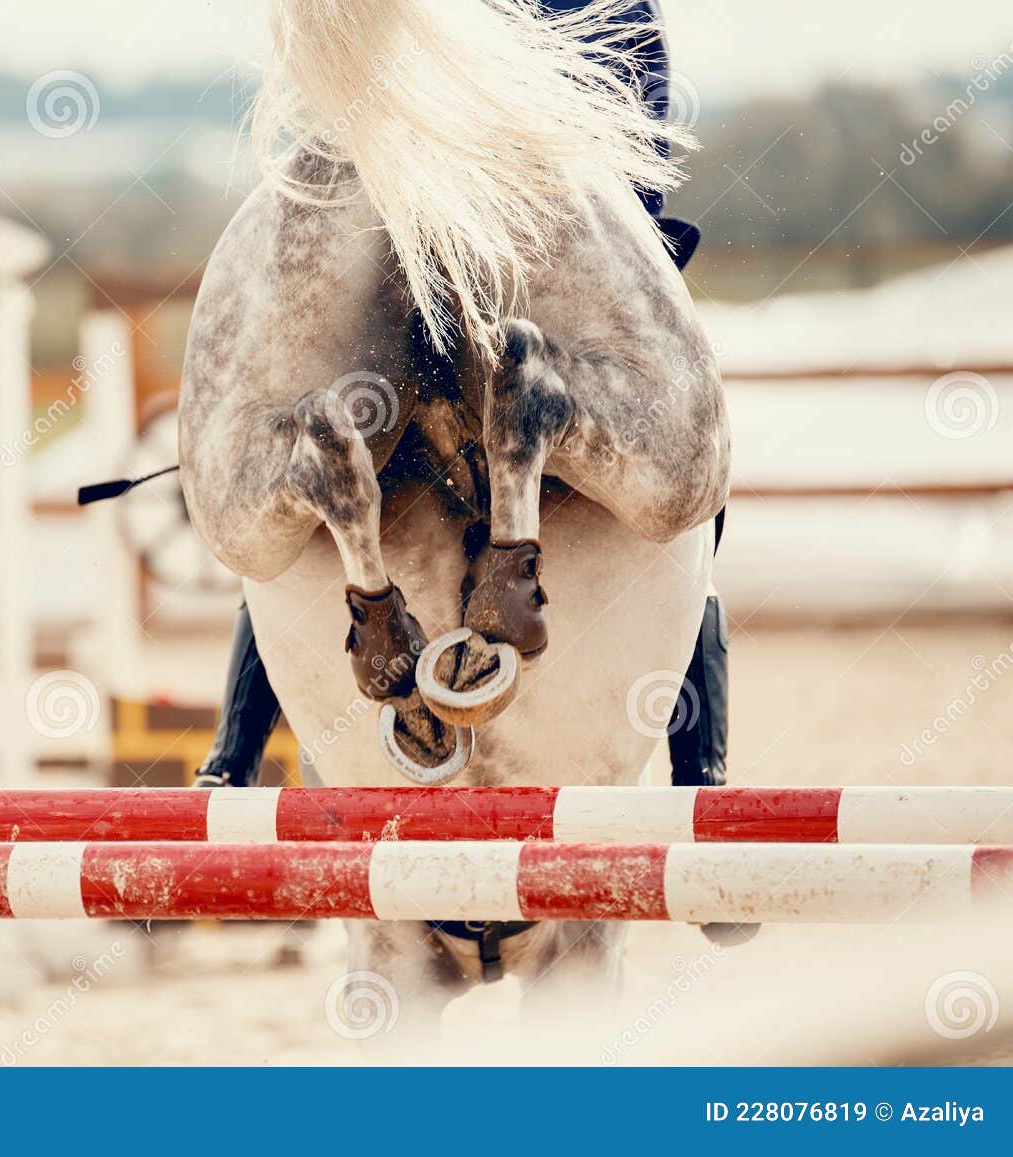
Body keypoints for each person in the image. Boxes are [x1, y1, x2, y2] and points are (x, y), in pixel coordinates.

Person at [193, 0, 728, 791]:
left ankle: (233, 758)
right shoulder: (619, 16)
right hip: (551, 168)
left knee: (284, 483)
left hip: (377, 148)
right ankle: (701, 773)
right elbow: (636, 208)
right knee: (696, 487)